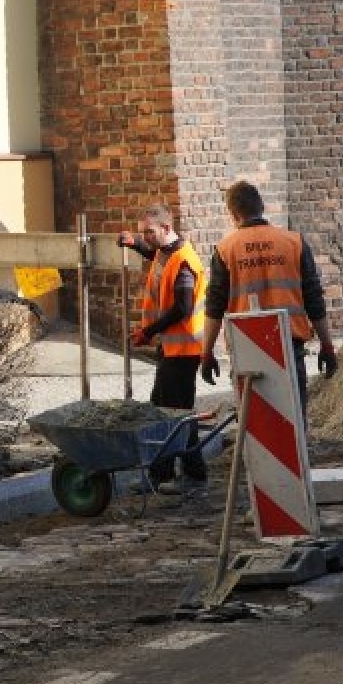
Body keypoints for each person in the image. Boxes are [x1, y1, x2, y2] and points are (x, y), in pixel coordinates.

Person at [198, 181, 338, 416]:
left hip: (246, 344)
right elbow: (314, 298)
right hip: (288, 342)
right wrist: (326, 345)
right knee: (293, 416)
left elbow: (215, 306)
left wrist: (207, 352)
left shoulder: (226, 249)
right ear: (261, 207)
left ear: (233, 214)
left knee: (256, 419)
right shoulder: (293, 242)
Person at [117, 203, 209, 493]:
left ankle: (176, 475)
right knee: (170, 410)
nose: (148, 236)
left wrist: (148, 332)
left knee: (172, 414)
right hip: (173, 348)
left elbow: (182, 307)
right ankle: (174, 473)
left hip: (184, 351)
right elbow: (154, 254)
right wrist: (135, 244)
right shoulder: (166, 252)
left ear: (167, 228)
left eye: (150, 232)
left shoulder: (183, 261)